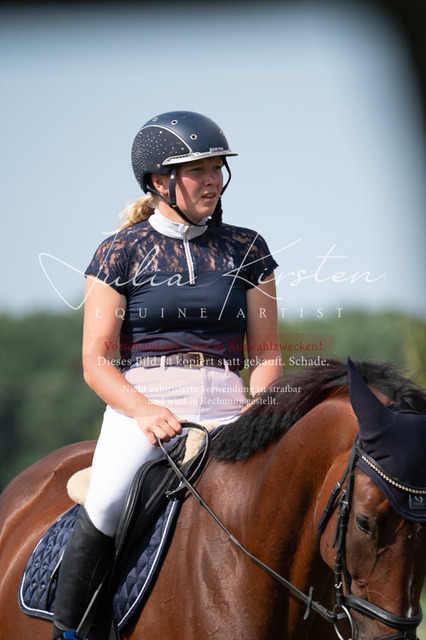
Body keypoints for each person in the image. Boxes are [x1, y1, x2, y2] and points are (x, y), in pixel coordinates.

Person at [52, 110, 282, 639]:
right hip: (144, 406)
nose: (213, 180)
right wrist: (144, 411)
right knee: (107, 501)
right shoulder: (119, 251)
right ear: (160, 181)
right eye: (198, 170)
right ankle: (71, 632)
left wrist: (262, 404)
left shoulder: (249, 248)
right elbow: (95, 360)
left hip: (230, 405)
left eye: (217, 168)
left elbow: (267, 354)